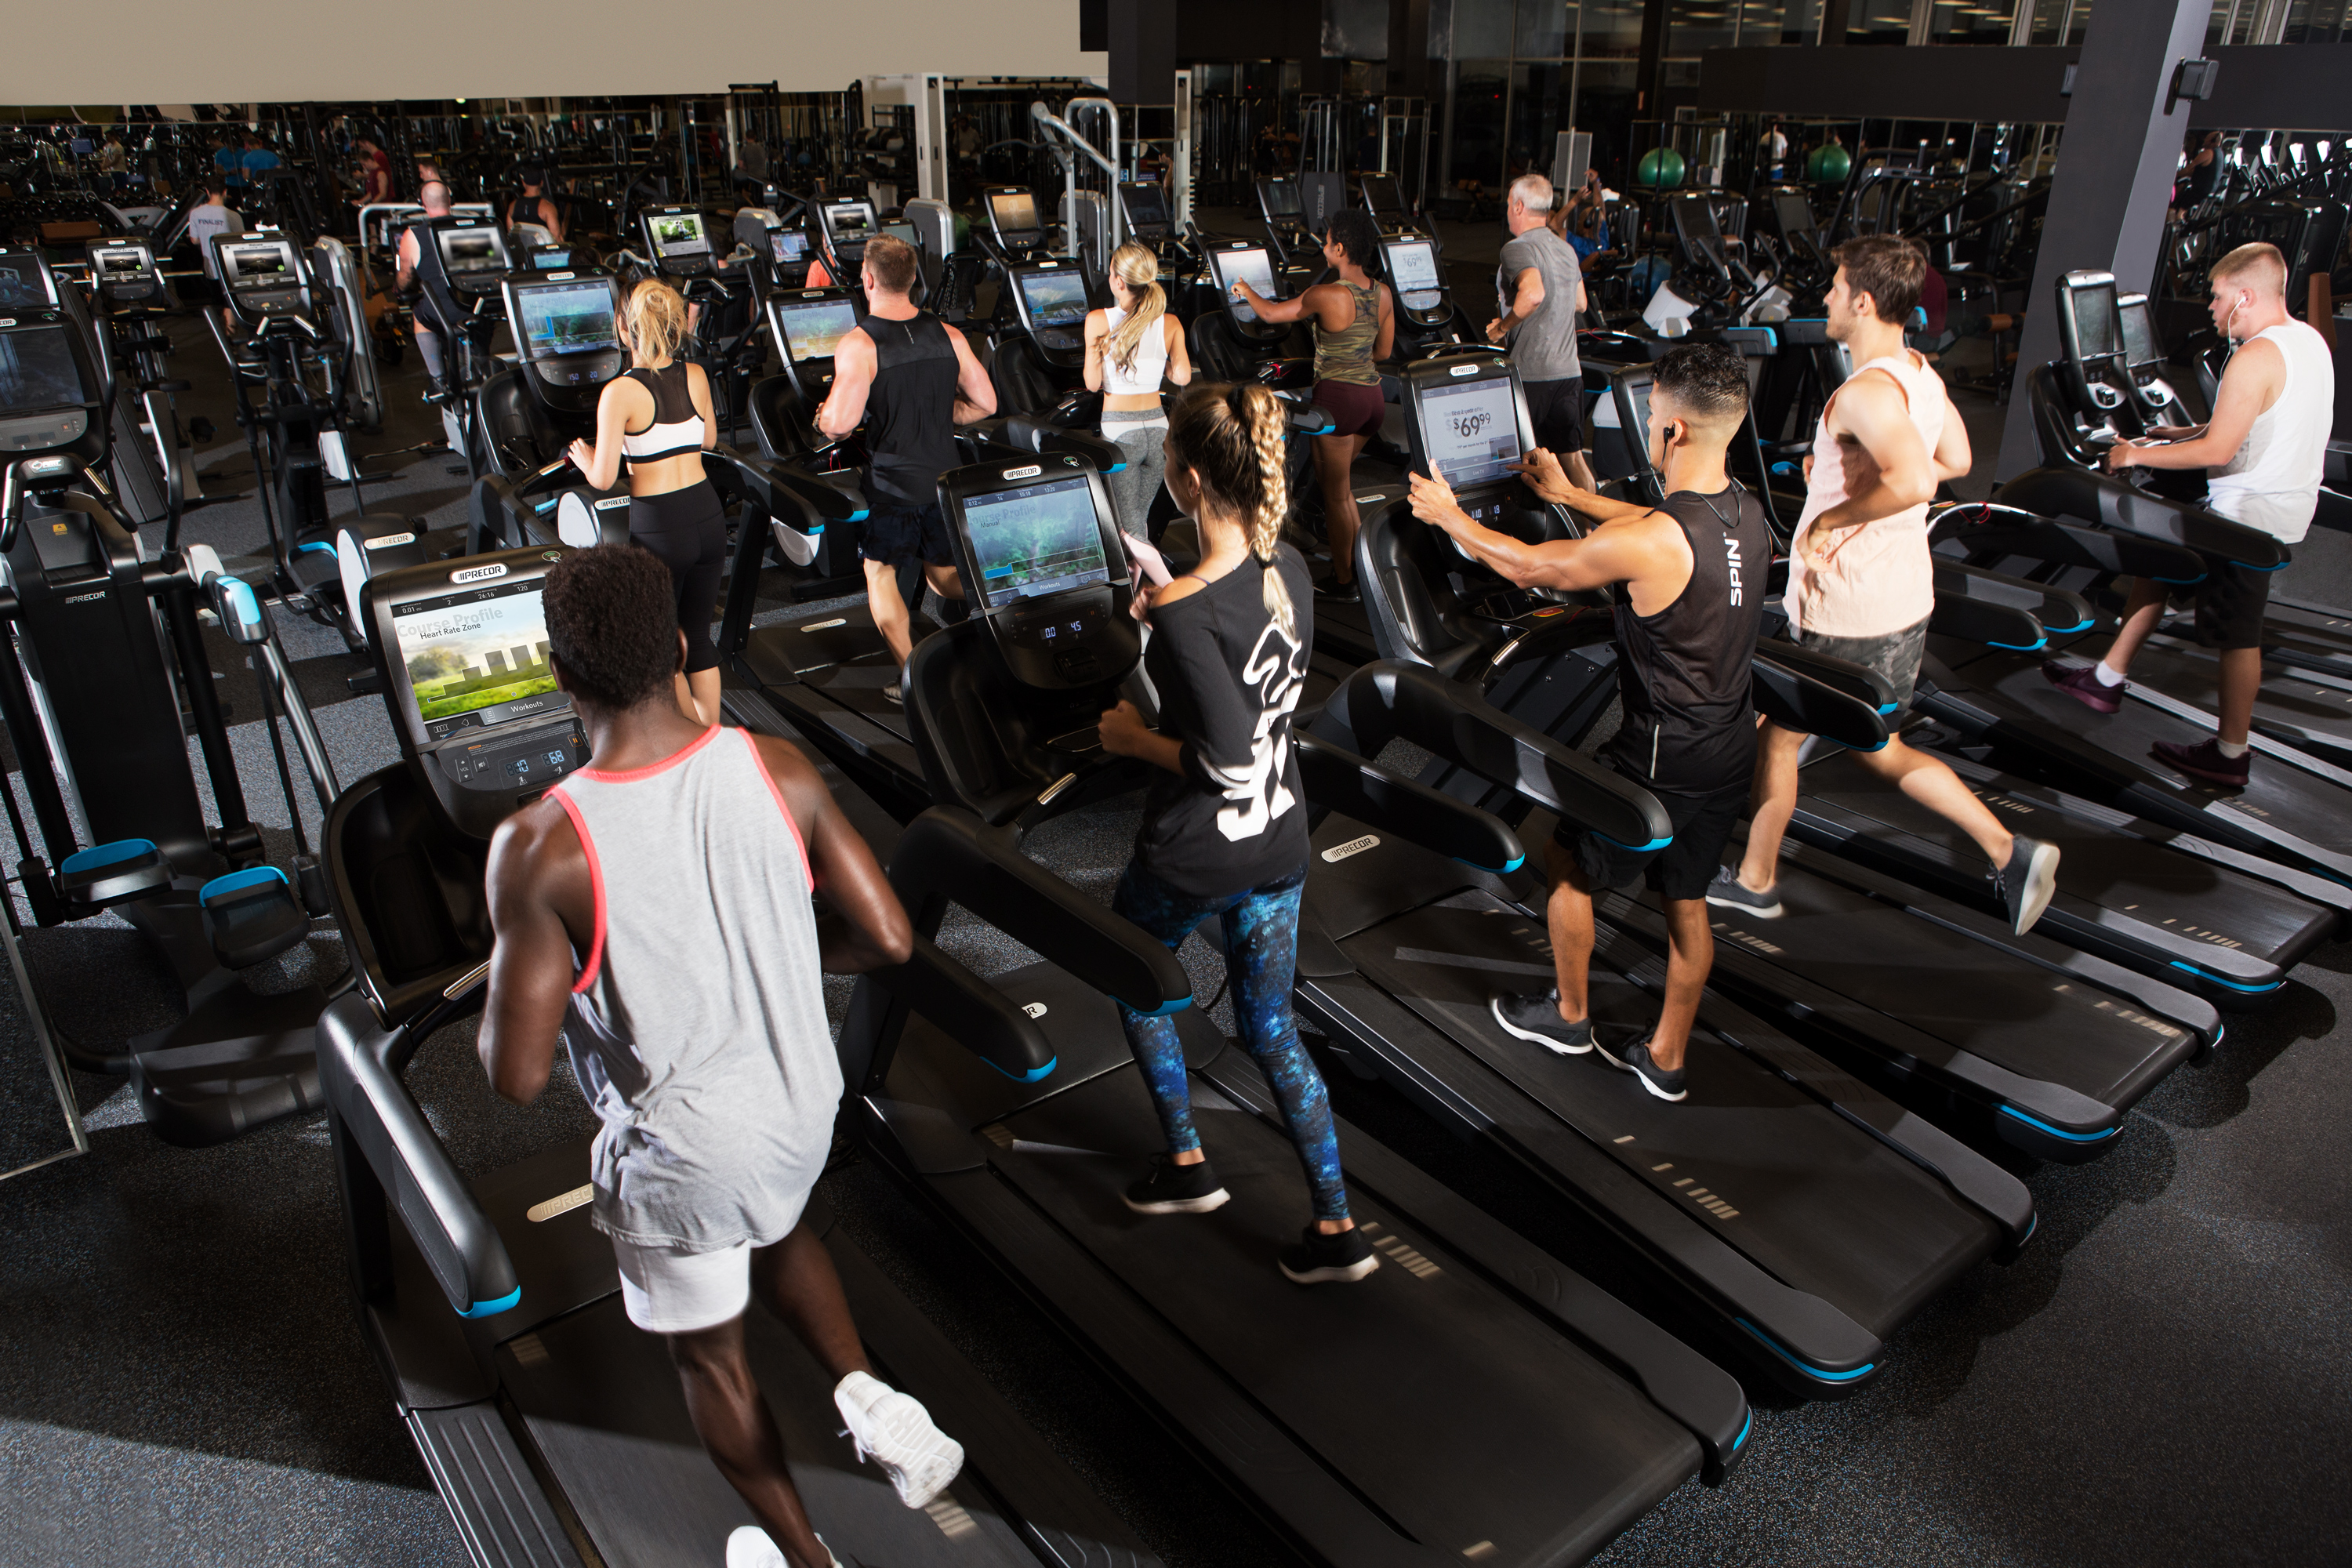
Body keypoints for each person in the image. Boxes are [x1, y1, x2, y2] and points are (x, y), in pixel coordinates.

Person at [480, 545, 963, 1568]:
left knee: (713, 1365)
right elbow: (887, 937)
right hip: (801, 1105)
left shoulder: (538, 848)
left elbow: (513, 1077)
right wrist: (774, 941)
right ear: (678, 645)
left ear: (560, 676)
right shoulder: (775, 766)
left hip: (691, 1157)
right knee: (773, 1219)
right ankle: (869, 1395)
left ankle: (807, 1559)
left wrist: (512, 960)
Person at [1403, 346, 1764, 1102]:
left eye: (1653, 414)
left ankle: (1568, 1017)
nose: (1651, 425)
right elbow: (1650, 523)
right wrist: (1569, 493)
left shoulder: (1655, 542)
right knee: (1687, 900)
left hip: (1662, 757)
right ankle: (1665, 1058)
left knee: (1567, 861)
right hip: (1730, 749)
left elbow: (1531, 568)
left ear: (1671, 431)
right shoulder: (1744, 511)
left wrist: (1449, 515)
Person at [1096, 382, 1376, 1283]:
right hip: (1280, 840)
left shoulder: (1186, 602)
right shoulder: (1287, 562)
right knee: (1271, 1026)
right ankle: (1337, 1224)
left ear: (1182, 477)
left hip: (1200, 847)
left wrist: (1131, 738)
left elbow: (1217, 758)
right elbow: (1243, 688)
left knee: (1135, 977)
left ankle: (1187, 1162)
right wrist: (1165, 617)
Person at [1711, 235, 2060, 935]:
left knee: (1783, 742)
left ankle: (1755, 881)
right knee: (1876, 744)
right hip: (1902, 602)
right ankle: (2007, 850)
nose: (1827, 297)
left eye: (1837, 287)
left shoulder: (1866, 392)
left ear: (1864, 302)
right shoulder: (1919, 373)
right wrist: (1853, 475)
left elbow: (1919, 478)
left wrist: (1831, 518)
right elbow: (1955, 455)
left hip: (1847, 609)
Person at [2042, 241, 2334, 787]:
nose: (2212, 308)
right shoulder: (2307, 341)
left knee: (2238, 635)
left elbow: (2220, 451)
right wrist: (2180, 433)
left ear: (2245, 296)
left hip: (2248, 518)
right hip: (2281, 503)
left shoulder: (2253, 356)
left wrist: (2135, 455)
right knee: (2161, 556)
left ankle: (2230, 756)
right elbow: (2255, 420)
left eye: (2218, 297)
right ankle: (2107, 678)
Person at [814, 233, 996, 698]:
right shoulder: (950, 334)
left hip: (893, 488)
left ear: (868, 280)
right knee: (944, 577)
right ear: (914, 279)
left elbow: (840, 426)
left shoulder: (859, 344)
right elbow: (986, 403)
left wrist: (822, 417)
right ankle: (1014, 593)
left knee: (880, 572)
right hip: (944, 482)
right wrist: (937, 412)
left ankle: (914, 679)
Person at [565, 280, 728, 728]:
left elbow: (603, 479)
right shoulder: (696, 375)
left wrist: (585, 459)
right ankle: (711, 730)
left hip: (661, 527)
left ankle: (691, 733)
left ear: (624, 328)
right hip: (708, 517)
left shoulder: (619, 392)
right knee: (698, 636)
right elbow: (708, 440)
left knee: (663, 642)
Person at [1230, 209, 1393, 601]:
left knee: (1335, 495)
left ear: (1340, 249)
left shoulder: (1326, 295)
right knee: (1343, 489)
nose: (1323, 247)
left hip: (1339, 401)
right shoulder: (1383, 293)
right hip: (1373, 400)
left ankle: (1345, 582)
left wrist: (1245, 289)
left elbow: (1270, 313)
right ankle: (1361, 571)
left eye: (1328, 241)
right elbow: (1384, 352)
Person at [1083, 241, 1194, 539]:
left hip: (1121, 431)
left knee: (1128, 528)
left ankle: (1161, 573)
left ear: (1119, 282)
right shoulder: (1170, 323)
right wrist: (1161, 364)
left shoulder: (1098, 320)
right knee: (1136, 522)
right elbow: (1182, 375)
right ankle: (1137, 571)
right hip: (1159, 430)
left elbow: (1092, 384)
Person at [1492, 173, 1588, 467]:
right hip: (1569, 373)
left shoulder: (1517, 248)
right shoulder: (1566, 249)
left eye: (1509, 203)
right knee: (1572, 461)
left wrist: (1501, 328)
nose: (1508, 209)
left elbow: (1533, 294)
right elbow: (1580, 303)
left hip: (1531, 375)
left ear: (1519, 207)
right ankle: (1592, 502)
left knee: (1509, 458)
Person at [394, 180, 456, 393]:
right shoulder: (473, 225)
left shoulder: (412, 235)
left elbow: (405, 276)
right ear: (450, 200)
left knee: (420, 317)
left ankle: (437, 379)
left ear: (423, 203)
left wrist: (399, 289)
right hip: (479, 303)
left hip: (444, 309)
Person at [187, 177, 246, 336]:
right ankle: (230, 338)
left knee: (221, 303)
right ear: (225, 192)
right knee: (229, 303)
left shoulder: (195, 213)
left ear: (207, 191)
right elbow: (242, 241)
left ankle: (226, 335)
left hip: (210, 267)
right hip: (229, 267)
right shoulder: (233, 216)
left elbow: (194, 240)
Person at [507, 166, 564, 243]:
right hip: (541, 250)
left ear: (523, 183)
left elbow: (511, 234)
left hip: (521, 250)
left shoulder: (512, 206)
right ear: (542, 183)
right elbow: (556, 238)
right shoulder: (548, 208)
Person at [352, 136, 393, 212]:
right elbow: (373, 192)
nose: (361, 149)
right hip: (377, 207)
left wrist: (371, 205)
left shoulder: (379, 160)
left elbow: (383, 193)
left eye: (361, 146)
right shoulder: (373, 171)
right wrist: (361, 202)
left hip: (383, 207)